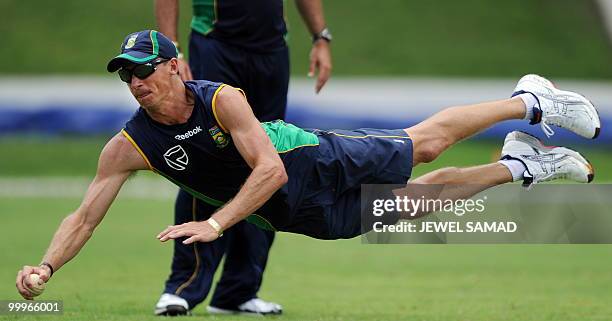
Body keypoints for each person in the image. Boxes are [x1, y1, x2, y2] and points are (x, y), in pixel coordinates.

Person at [16, 31, 600, 308]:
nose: (136, 83)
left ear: (173, 67)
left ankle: (530, 100)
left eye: (145, 69)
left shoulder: (221, 98)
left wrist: (216, 225)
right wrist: (46, 266)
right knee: (404, 207)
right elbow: (85, 215)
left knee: (420, 147)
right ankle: (521, 164)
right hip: (288, 213)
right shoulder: (129, 145)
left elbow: (268, 169)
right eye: (126, 75)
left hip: (308, 160)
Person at [153, 0, 332, 315]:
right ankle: (181, 288)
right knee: (205, 159)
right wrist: (174, 52)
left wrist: (320, 36)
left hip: (272, 51)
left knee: (268, 160)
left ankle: (238, 291)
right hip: (216, 45)